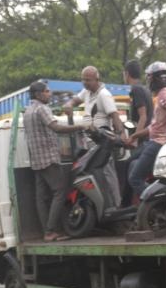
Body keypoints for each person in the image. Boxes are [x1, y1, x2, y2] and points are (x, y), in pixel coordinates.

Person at [23, 80, 82, 242]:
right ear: (38, 94)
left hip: (36, 161)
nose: (50, 94)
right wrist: (79, 127)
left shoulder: (28, 111)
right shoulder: (42, 109)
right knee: (60, 192)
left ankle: (47, 232)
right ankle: (51, 230)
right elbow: (57, 128)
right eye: (47, 91)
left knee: (41, 198)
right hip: (48, 158)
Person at [63, 66, 126, 206]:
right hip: (90, 143)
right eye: (83, 80)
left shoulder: (104, 94)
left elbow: (115, 116)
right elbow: (75, 100)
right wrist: (69, 104)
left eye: (88, 80)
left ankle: (116, 204)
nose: (85, 83)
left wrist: (120, 136)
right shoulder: (87, 92)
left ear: (97, 79)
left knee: (107, 174)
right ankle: (104, 205)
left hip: (103, 142)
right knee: (95, 176)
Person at [128, 62, 166, 200]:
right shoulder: (164, 93)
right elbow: (154, 126)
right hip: (160, 140)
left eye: (149, 78)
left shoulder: (164, 95)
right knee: (131, 162)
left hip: (160, 143)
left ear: (153, 79)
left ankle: (159, 202)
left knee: (135, 178)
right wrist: (135, 135)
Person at [121, 60, 153, 206]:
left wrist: (134, 139)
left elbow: (143, 116)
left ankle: (126, 205)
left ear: (127, 74)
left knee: (128, 165)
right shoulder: (144, 89)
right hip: (148, 137)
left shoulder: (136, 90)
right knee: (131, 164)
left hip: (145, 139)